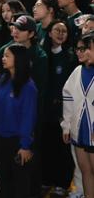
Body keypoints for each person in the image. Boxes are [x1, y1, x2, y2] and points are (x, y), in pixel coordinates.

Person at [0, 44, 37, 198]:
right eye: (3, 55)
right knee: (0, 183)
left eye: (7, 56)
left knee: (19, 186)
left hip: (17, 143)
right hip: (0, 140)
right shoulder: (2, 80)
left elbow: (28, 117)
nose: (3, 59)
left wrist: (25, 145)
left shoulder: (28, 87)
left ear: (18, 59)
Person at [62, 33, 94, 197]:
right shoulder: (77, 71)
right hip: (80, 131)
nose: (79, 52)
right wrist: (66, 126)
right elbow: (68, 98)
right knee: (85, 171)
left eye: (84, 49)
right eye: (77, 49)